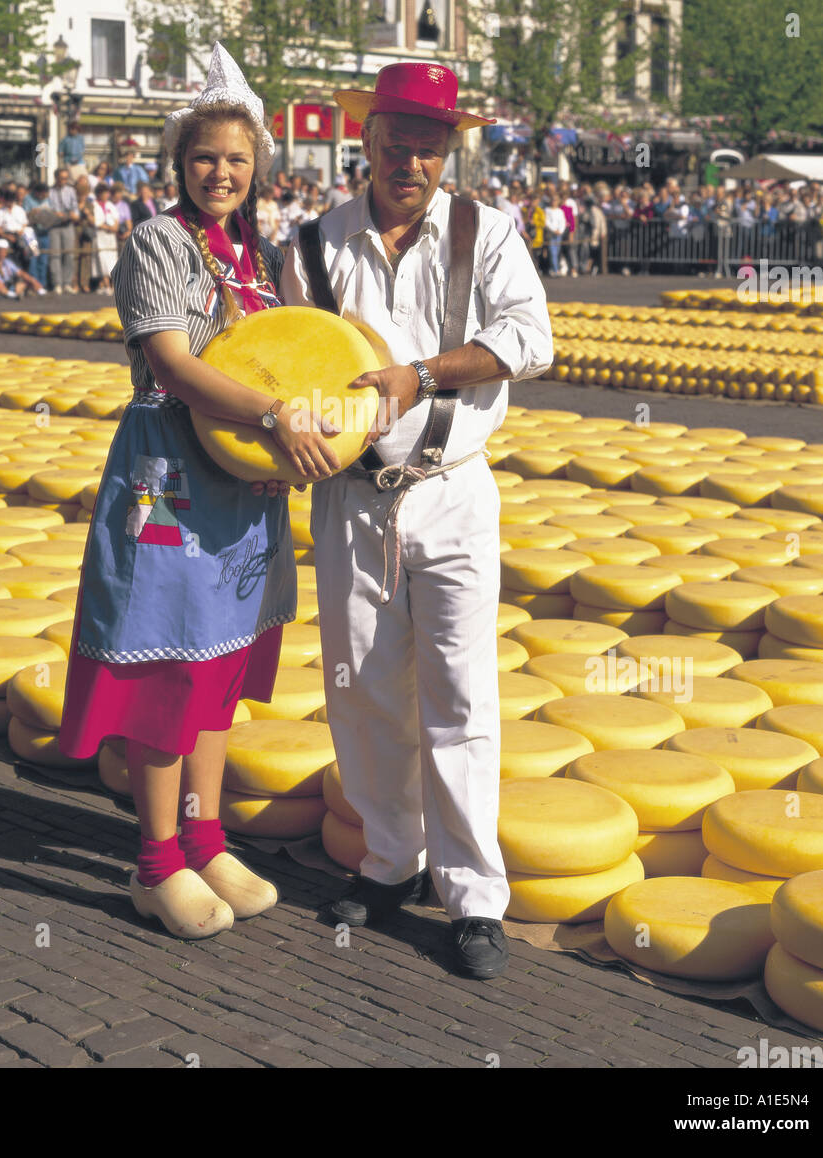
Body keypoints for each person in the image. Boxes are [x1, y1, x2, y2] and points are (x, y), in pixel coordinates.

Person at [57, 42, 339, 940]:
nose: (222, 172)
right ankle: (153, 862)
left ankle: (206, 836)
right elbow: (174, 364)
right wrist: (278, 412)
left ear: (259, 168)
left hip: (242, 483)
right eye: (206, 157)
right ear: (180, 162)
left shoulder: (257, 253)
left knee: (219, 664)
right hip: (169, 477)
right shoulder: (157, 240)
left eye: (238, 159)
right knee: (165, 663)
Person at [279, 62, 553, 980]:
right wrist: (293, 429)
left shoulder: (488, 231)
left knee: (461, 695)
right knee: (361, 689)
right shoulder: (315, 246)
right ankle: (392, 860)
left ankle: (475, 894)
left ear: (450, 150)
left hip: (453, 487)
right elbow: (290, 366)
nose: (411, 163)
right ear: (365, 141)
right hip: (354, 497)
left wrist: (422, 375)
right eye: (396, 145)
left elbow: (531, 338)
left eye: (429, 149)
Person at [46, 167, 82, 295]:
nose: (64, 181)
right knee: (55, 254)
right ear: (56, 178)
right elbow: (47, 208)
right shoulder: (49, 191)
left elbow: (75, 206)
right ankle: (57, 283)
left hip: (68, 224)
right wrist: (56, 214)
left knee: (69, 254)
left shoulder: (71, 190)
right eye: (62, 178)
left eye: (66, 178)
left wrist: (75, 214)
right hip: (55, 225)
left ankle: (67, 283)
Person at [89, 182, 120, 293]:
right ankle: (106, 285)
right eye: (104, 193)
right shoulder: (93, 205)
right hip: (100, 236)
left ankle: (111, 285)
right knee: (102, 260)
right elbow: (93, 220)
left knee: (112, 260)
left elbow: (116, 220)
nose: (106, 195)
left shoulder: (110, 205)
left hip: (111, 237)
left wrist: (113, 228)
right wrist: (105, 227)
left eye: (107, 193)